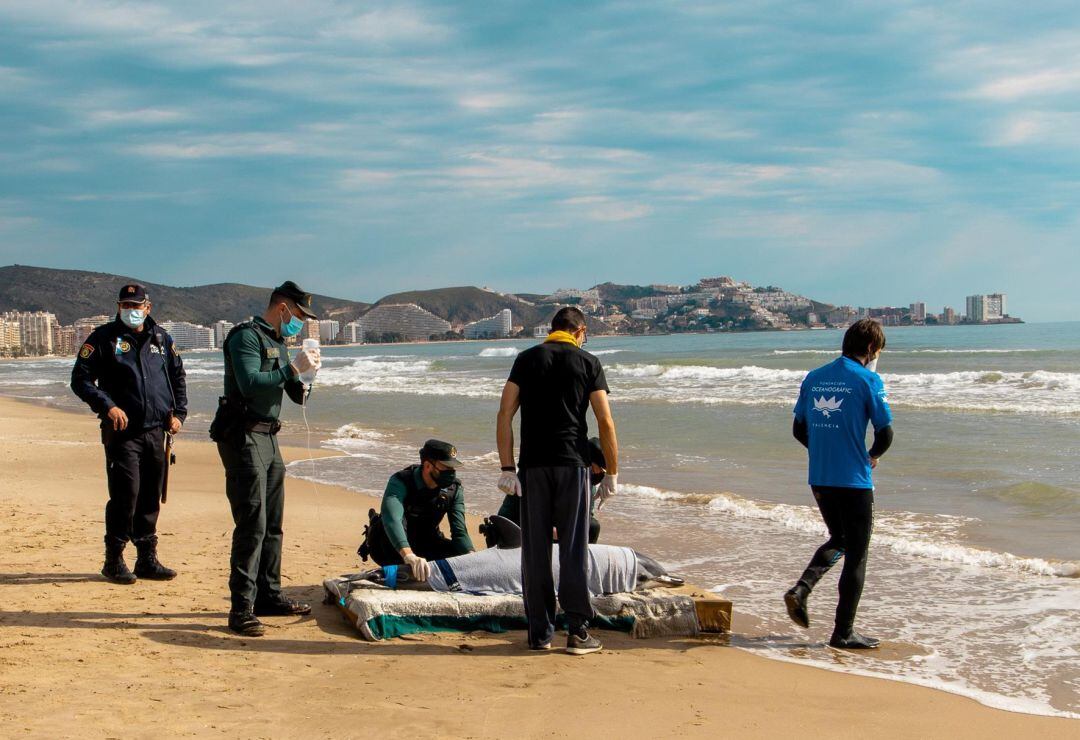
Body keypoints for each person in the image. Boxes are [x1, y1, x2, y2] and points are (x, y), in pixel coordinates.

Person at [496, 306, 619, 655]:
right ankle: (578, 632)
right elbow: (605, 423)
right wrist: (611, 472)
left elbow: (505, 413)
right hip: (572, 464)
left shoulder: (526, 359)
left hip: (533, 467)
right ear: (579, 331)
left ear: (553, 330)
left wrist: (506, 467)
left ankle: (539, 634)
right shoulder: (588, 362)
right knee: (573, 549)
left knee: (534, 552)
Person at [211, 281, 321, 637]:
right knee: (252, 522)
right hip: (243, 437)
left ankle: (268, 596)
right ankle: (241, 608)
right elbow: (250, 383)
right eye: (299, 315)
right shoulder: (246, 337)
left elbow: (295, 396)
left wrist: (307, 376)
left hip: (269, 438)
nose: (300, 323)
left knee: (273, 523)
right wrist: (290, 370)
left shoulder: (278, 342)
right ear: (283, 307)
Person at [784, 318, 894, 649]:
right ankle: (843, 632)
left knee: (841, 538)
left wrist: (824, 451)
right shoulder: (869, 380)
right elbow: (885, 433)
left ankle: (802, 588)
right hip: (854, 480)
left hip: (820, 477)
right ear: (873, 349)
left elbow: (799, 429)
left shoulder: (814, 377)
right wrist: (871, 455)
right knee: (856, 553)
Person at [70, 283, 187, 584]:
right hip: (122, 432)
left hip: (155, 431)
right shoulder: (103, 338)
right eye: (125, 305)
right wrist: (107, 406)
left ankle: (146, 559)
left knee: (150, 494)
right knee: (126, 494)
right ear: (118, 307)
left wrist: (179, 414)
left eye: (136, 306)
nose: (131, 311)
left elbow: (177, 377)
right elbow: (80, 379)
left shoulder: (161, 338)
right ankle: (114, 559)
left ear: (148, 307)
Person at [357, 440, 475, 579]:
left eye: (453, 468)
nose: (451, 473)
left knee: (460, 559)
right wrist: (409, 555)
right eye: (446, 468)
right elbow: (392, 519)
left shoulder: (453, 489)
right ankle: (401, 566)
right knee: (396, 528)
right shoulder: (400, 481)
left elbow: (459, 532)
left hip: (425, 541)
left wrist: (472, 558)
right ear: (427, 466)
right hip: (387, 543)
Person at [493, 436, 606, 545]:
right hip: (513, 524)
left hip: (550, 528)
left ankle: (584, 562)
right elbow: (533, 518)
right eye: (598, 469)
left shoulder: (587, 482)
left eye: (603, 472)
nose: (600, 474)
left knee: (592, 526)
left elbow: (585, 520)